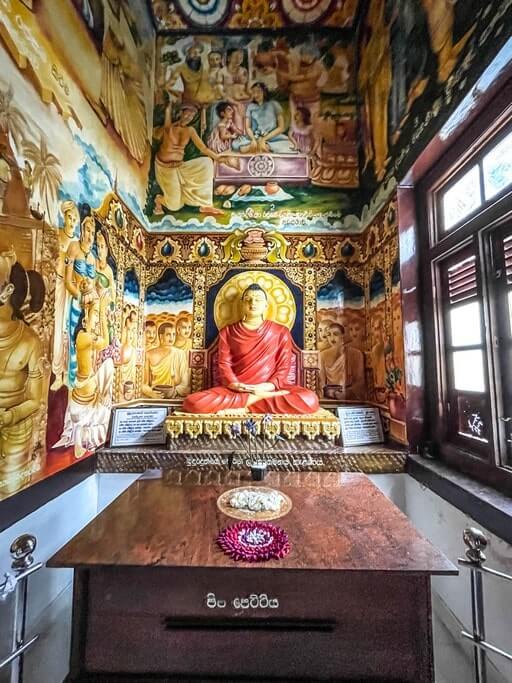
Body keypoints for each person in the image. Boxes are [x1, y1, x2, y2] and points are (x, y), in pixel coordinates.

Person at [182, 284, 319, 415]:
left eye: (258, 300)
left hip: (270, 388)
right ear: (242, 304)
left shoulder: (280, 331)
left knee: (310, 399)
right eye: (248, 299)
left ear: (266, 305)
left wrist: (267, 387)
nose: (253, 302)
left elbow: (283, 367)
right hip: (237, 390)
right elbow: (224, 365)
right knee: (193, 402)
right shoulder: (228, 332)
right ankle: (257, 400)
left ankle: (247, 406)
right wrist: (235, 385)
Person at [0, 250, 45, 495]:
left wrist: (9, 416)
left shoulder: (28, 340)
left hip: (14, 427)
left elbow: (35, 399)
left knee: (10, 494)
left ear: (7, 292)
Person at [154, 104, 223, 215]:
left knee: (207, 163)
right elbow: (168, 109)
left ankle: (205, 205)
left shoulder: (190, 130)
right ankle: (158, 199)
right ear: (181, 113)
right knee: (175, 206)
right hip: (165, 169)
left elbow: (203, 148)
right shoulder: (169, 127)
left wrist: (218, 158)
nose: (189, 117)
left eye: (192, 116)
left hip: (180, 167)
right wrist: (170, 103)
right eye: (187, 114)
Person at [51, 200, 79, 391]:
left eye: (75, 218)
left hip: (69, 289)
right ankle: (55, 371)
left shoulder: (75, 245)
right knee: (54, 329)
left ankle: (63, 373)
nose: (72, 221)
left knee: (65, 330)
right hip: (55, 284)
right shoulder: (56, 236)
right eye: (70, 217)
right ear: (64, 217)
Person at [232, 82, 292, 155]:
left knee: (288, 146)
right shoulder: (250, 107)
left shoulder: (274, 104)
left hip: (272, 137)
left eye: (258, 91)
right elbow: (248, 127)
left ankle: (264, 146)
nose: (256, 95)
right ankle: (257, 146)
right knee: (235, 145)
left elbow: (281, 127)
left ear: (264, 92)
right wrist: (253, 140)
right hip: (255, 136)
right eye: (253, 92)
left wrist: (264, 139)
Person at [142, 323, 190, 399]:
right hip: (155, 395)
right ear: (161, 336)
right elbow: (144, 384)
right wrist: (151, 393)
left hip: (174, 394)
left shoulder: (180, 354)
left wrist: (174, 391)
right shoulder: (148, 354)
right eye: (168, 334)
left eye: (174, 334)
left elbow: (185, 384)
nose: (172, 338)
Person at [320, 323, 365, 401]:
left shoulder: (355, 354)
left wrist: (347, 393)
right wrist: (328, 392)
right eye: (329, 335)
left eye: (335, 334)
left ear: (342, 336)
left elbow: (360, 381)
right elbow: (321, 382)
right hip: (329, 395)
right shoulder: (322, 355)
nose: (332, 338)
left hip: (349, 395)